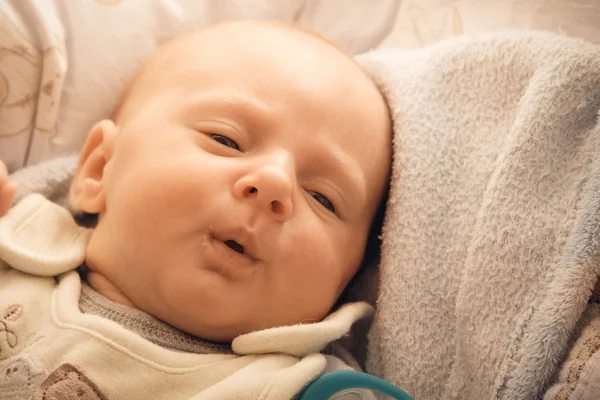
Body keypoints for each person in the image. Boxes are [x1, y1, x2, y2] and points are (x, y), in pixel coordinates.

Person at [0, 20, 391, 399]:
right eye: (226, 139)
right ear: (101, 169)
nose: (274, 182)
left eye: (322, 198)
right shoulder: (15, 254)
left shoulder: (308, 388)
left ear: (348, 277)